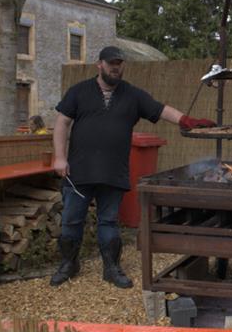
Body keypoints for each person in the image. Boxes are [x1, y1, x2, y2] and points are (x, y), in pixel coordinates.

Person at [51, 46, 216, 288]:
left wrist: (186, 120)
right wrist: (59, 157)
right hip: (79, 170)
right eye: (110, 63)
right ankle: (68, 264)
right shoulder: (79, 92)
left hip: (113, 171)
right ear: (100, 65)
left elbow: (160, 109)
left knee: (108, 221)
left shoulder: (132, 95)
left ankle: (111, 268)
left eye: (119, 63)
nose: (115, 67)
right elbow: (62, 123)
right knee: (71, 220)